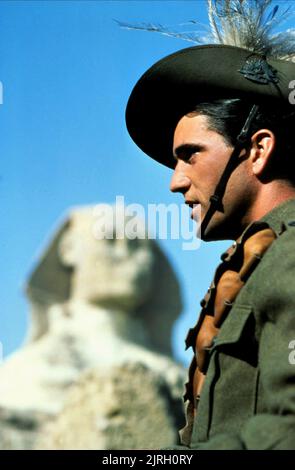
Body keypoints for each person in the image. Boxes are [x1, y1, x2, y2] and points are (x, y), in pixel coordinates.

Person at [124, 0, 295, 449]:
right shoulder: (258, 261)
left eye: (189, 155)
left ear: (257, 150)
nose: (175, 183)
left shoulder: (291, 256)